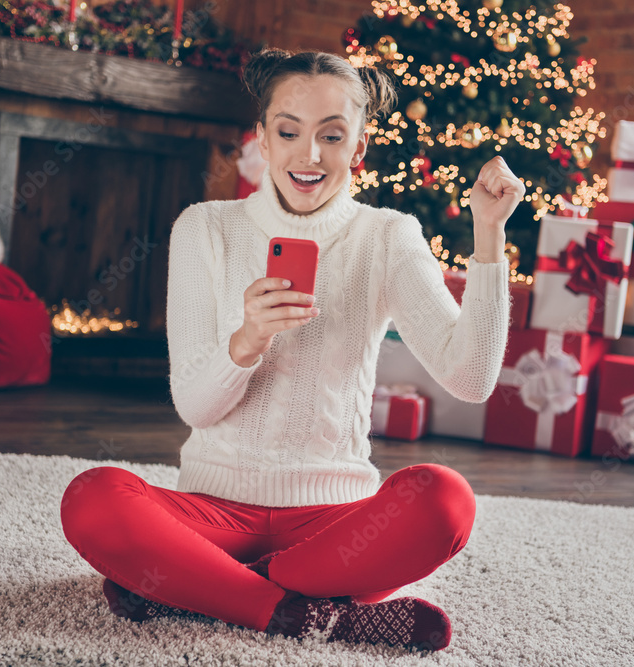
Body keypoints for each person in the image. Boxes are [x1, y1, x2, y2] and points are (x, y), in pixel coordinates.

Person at [60, 48, 522, 653]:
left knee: (446, 500)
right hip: (210, 516)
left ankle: (200, 591)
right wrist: (247, 341)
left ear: (358, 149)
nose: (309, 156)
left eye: (332, 137)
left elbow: (472, 378)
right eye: (289, 132)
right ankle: (305, 615)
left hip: (334, 530)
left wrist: (489, 236)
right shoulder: (206, 228)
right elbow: (195, 406)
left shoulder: (388, 236)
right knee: (92, 500)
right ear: (263, 140)